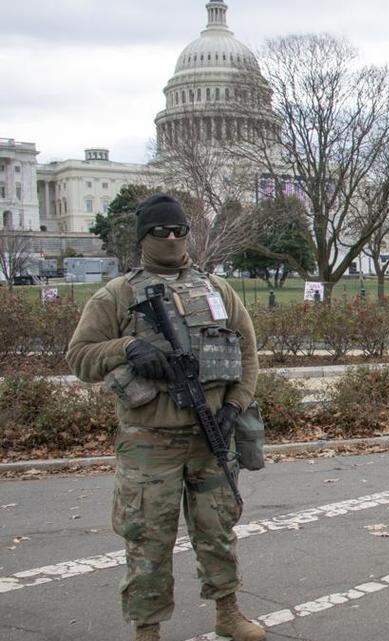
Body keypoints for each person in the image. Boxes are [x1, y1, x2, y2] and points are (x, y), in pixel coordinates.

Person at [66, 194, 264, 641]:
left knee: (217, 531)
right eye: (160, 232)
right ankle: (147, 629)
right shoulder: (116, 295)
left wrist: (235, 406)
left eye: (179, 230)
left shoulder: (218, 289)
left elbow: (248, 353)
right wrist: (126, 348)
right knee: (148, 540)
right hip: (149, 443)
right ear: (143, 238)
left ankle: (227, 612)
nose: (172, 238)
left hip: (210, 435)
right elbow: (78, 356)